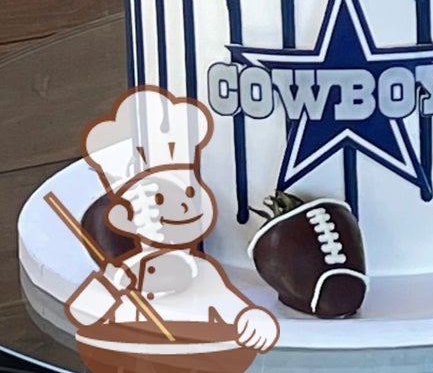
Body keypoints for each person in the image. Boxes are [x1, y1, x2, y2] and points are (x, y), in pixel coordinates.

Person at [64, 85, 279, 351]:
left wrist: (254, 320)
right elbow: (81, 309)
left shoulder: (204, 275)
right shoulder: (118, 278)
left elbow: (237, 309)